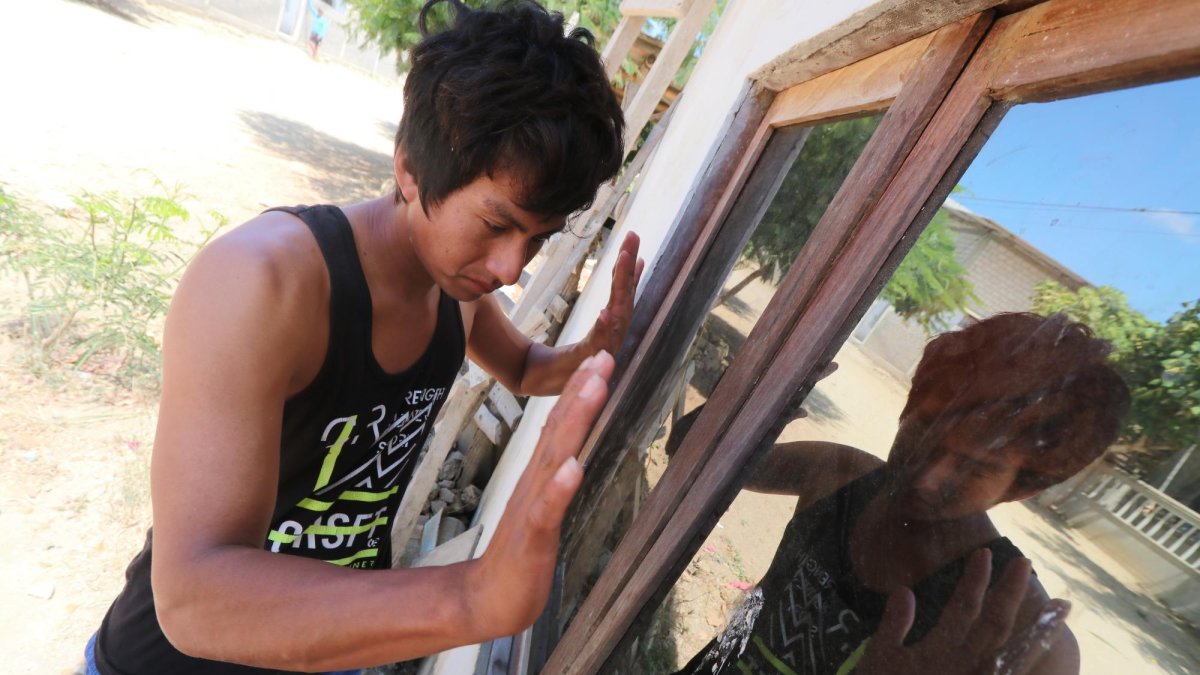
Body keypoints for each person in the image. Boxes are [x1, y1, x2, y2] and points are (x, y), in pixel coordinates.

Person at [86, 1, 639, 673]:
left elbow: (523, 367)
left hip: (333, 650)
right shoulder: (262, 283)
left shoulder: (457, 290)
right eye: (496, 224)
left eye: (539, 238)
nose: (510, 268)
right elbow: (192, 596)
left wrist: (594, 351)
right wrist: (470, 596)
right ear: (408, 166)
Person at [672, 312, 1131, 675]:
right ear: (908, 405)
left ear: (1022, 489)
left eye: (978, 466)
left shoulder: (1023, 637)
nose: (928, 477)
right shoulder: (838, 477)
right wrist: (756, 399)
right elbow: (688, 459)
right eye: (926, 428)